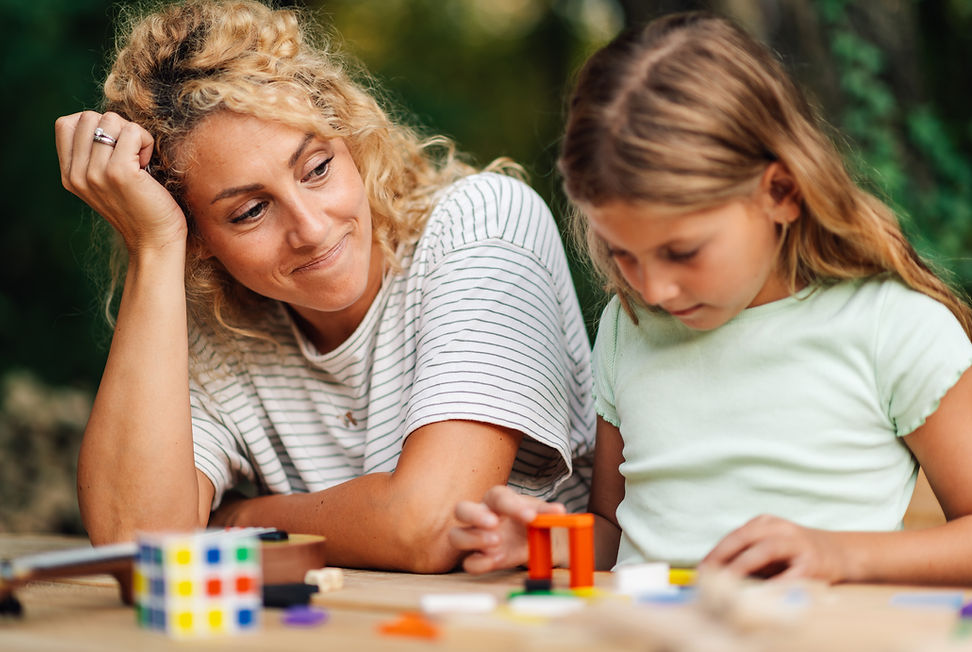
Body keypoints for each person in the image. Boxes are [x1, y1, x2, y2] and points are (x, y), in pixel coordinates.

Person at [54, 0, 595, 573]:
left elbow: (431, 524)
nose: (311, 230)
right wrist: (156, 248)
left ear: (350, 139)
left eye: (317, 169)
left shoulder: (484, 224)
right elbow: (138, 544)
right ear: (200, 236)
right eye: (251, 211)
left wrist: (235, 520)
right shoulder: (212, 326)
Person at [449, 12, 972, 584]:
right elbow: (614, 532)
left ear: (780, 191)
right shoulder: (629, 329)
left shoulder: (894, 326)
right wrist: (546, 541)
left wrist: (843, 555)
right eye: (625, 254)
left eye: (682, 252)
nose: (653, 290)